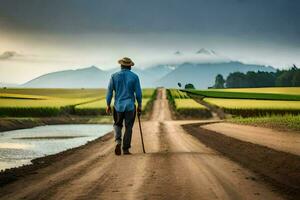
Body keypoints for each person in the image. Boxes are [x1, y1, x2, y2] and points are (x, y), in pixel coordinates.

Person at [106, 57, 142, 155]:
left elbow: (109, 91)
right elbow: (138, 93)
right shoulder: (135, 77)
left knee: (117, 124)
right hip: (130, 106)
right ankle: (125, 149)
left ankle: (118, 142)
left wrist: (108, 104)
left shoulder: (114, 76)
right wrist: (139, 105)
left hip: (118, 106)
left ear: (121, 65)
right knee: (128, 127)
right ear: (130, 66)